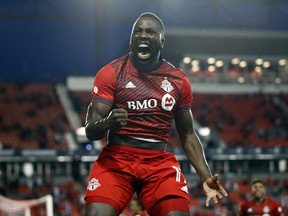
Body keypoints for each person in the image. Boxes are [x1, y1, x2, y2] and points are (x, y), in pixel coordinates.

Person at [84, 12, 227, 216]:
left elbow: (187, 134)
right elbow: (91, 131)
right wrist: (108, 123)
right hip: (117, 160)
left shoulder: (178, 81)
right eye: (138, 31)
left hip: (157, 163)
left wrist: (205, 176)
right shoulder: (111, 73)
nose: (143, 35)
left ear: (162, 41)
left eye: (150, 32)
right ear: (132, 39)